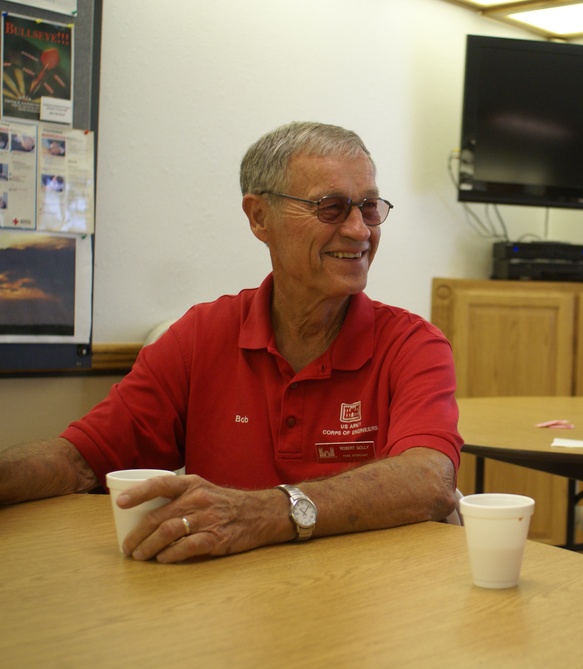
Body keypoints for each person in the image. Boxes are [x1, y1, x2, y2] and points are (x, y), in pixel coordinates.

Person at [0, 121, 462, 563]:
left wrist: (265, 513)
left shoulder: (413, 344)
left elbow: (428, 478)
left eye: (369, 206)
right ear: (260, 217)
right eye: (331, 207)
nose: (360, 230)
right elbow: (82, 460)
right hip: (228, 614)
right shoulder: (201, 337)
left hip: (377, 606)